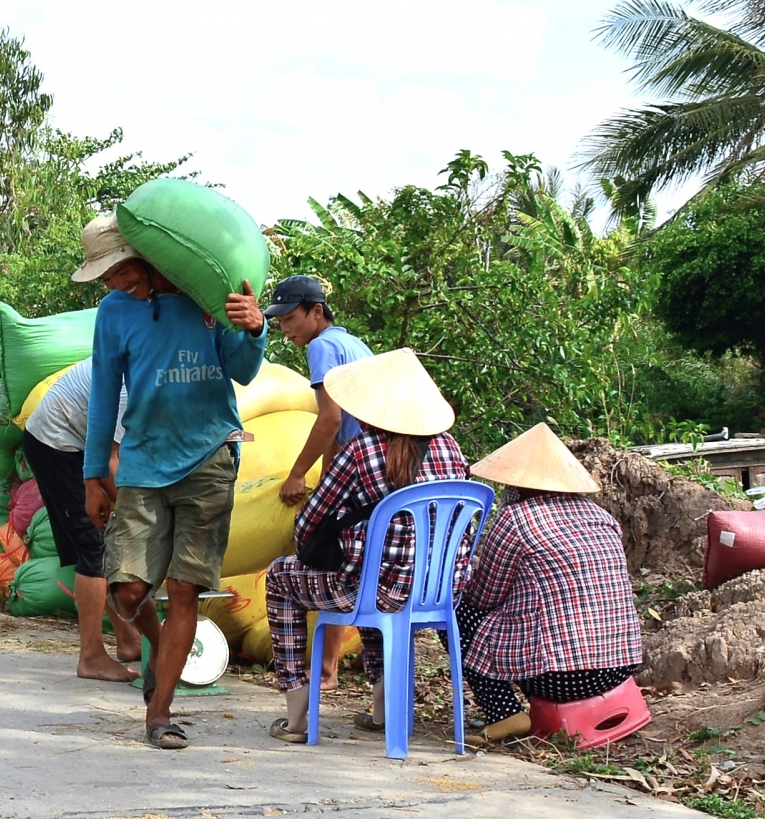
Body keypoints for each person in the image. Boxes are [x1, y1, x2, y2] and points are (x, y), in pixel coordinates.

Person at [82, 216, 267, 750]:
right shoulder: (114, 312)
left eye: (118, 270)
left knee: (185, 589)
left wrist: (253, 328)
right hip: (142, 462)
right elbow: (103, 392)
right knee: (128, 590)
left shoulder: (209, 298)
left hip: (209, 457)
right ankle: (161, 658)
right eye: (105, 276)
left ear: (148, 255)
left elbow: (245, 370)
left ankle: (160, 712)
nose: (114, 283)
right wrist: (94, 473)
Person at [263, 348, 471, 744]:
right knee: (371, 572)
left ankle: (295, 714)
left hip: (377, 591)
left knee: (282, 578)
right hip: (439, 593)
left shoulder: (361, 451)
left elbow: (309, 523)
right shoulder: (451, 448)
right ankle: (382, 707)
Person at [457, 423, 643, 742]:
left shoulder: (515, 519)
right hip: (620, 666)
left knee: (459, 609)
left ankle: (504, 714)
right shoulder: (602, 517)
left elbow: (484, 597)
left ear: (516, 485)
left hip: (558, 677)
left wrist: (466, 574)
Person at [262, 274, 373, 691]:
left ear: (317, 312)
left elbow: (329, 419)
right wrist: (327, 480)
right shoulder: (352, 343)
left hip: (362, 475)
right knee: (349, 566)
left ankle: (320, 673)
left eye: (291, 318)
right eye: (280, 321)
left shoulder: (323, 346)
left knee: (323, 562)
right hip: (373, 473)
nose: (286, 328)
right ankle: (328, 669)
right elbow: (342, 423)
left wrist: (295, 474)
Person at [21, 358, 136, 681]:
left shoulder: (151, 368)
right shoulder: (129, 383)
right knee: (95, 544)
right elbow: (111, 458)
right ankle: (92, 657)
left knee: (105, 541)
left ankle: (128, 640)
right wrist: (134, 515)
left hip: (78, 442)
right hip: (56, 444)